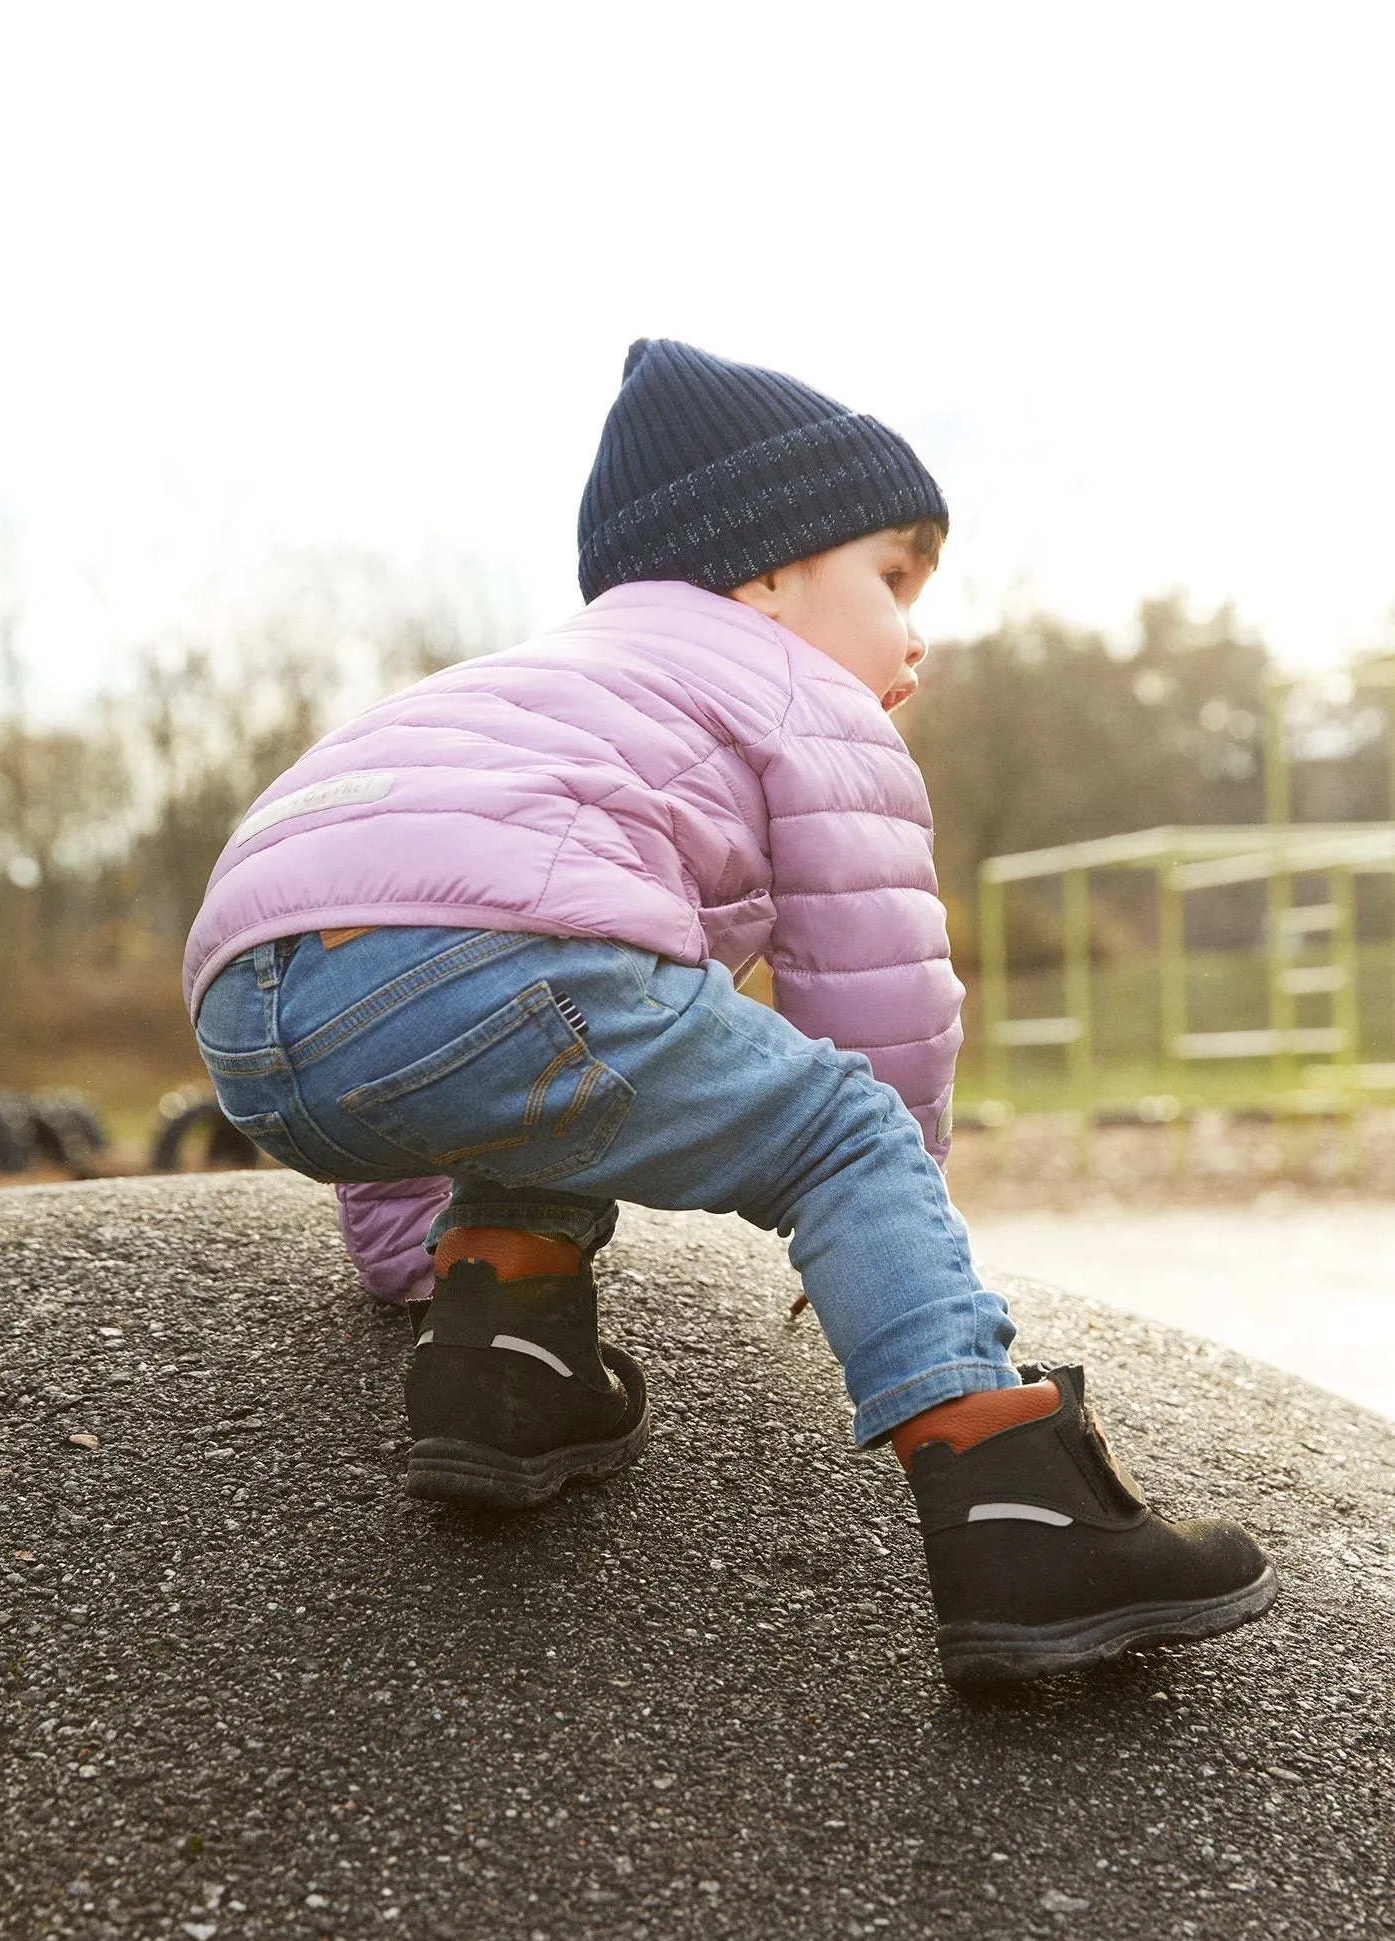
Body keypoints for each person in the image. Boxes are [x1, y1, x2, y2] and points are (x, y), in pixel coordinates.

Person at [183, 339, 1276, 1686]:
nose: (913, 635)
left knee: (556, 1067)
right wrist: (893, 1203)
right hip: (495, 966)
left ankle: (496, 1365)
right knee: (832, 1129)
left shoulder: (516, 689)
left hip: (250, 1019)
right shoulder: (788, 685)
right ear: (763, 572)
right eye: (891, 578)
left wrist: (402, 1246)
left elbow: (377, 982)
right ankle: (1023, 1515)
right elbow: (871, 977)